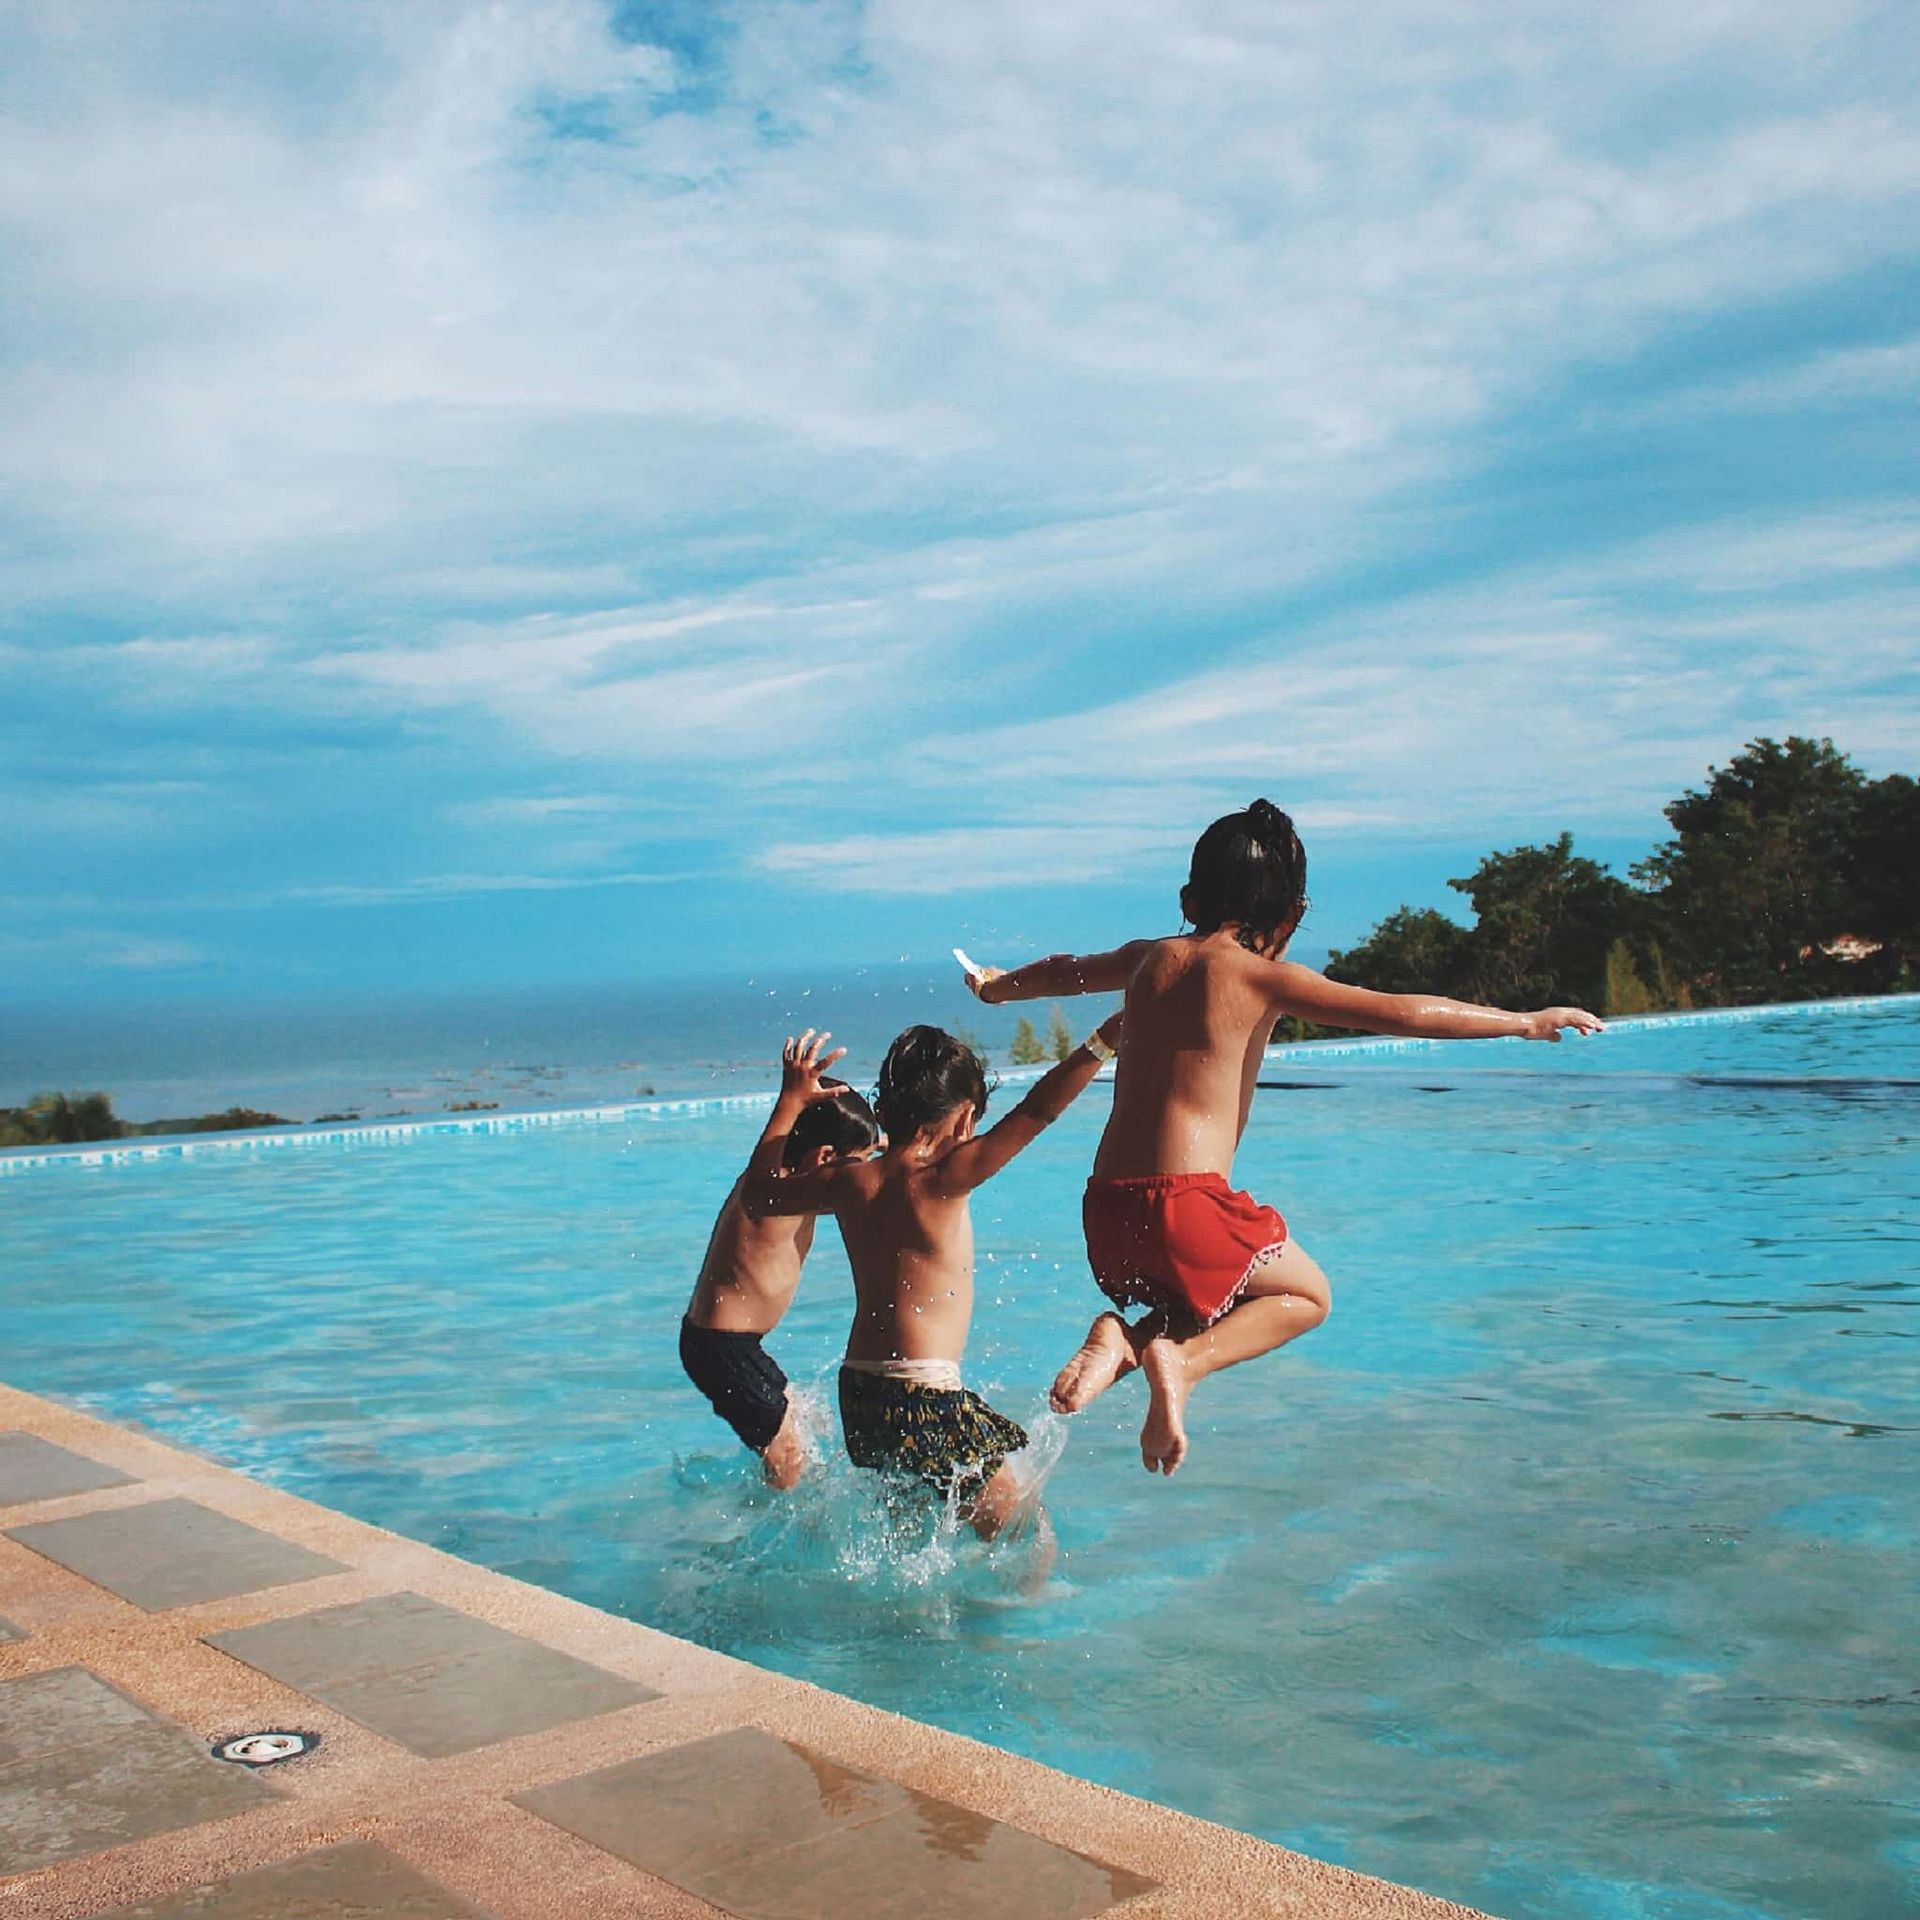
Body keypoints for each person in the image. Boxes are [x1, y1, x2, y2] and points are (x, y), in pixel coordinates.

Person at [963, 798, 1604, 1477]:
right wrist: (1526, 1022)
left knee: (1204, 1297)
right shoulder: (1263, 977)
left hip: (1108, 1210)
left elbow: (1063, 971)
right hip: (1188, 1207)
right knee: (1305, 1297)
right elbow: (1406, 1014)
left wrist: (995, 989)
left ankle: (1124, 1340)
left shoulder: (1147, 959)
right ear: (1292, 914)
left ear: (1190, 896)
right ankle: (1174, 1361)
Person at [742, 1018, 1123, 1546]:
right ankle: (1015, 1624)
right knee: (1027, 1533)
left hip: (861, 1394)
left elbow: (758, 1195)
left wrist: (789, 1101)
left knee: (911, 1534)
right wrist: (1101, 1044)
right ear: (964, 1117)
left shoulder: (851, 1181)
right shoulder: (942, 1178)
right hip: (922, 1394)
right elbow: (1037, 1111)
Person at [681, 1065, 879, 1487]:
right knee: (790, 1461)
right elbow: (769, 1163)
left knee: (808, 1421)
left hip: (735, 1346)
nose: (862, 1172)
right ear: (825, 1158)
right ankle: (765, 1541)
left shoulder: (800, 1189)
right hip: (721, 1348)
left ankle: (760, 1494)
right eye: (858, 1163)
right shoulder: (768, 1192)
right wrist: (791, 1099)